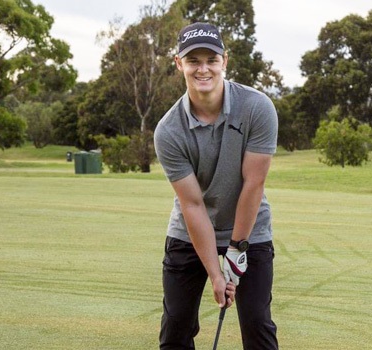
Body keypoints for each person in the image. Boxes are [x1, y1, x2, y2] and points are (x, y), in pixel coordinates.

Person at [154, 22, 279, 349]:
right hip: (190, 231)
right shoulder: (169, 131)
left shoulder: (256, 107)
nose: (203, 68)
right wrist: (216, 273)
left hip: (250, 230)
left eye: (211, 59)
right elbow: (192, 205)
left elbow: (254, 183)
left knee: (257, 325)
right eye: (193, 60)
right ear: (179, 63)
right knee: (176, 328)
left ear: (225, 59)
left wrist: (237, 250)